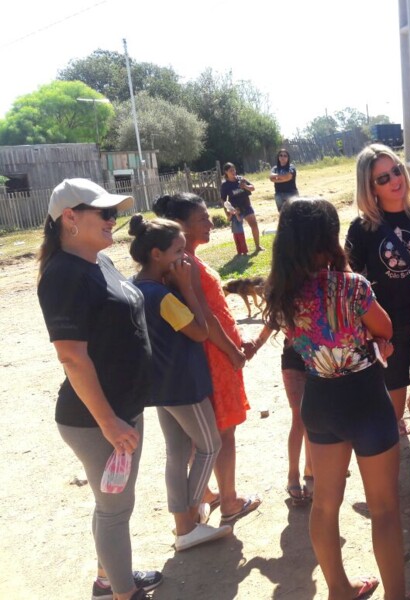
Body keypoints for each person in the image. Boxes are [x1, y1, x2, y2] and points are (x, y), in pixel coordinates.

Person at [263, 198, 410, 600]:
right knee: (385, 509)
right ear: (329, 238)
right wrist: (375, 344)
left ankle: (339, 589)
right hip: (366, 401)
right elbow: (384, 327)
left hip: (319, 401)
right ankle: (396, 595)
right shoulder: (350, 286)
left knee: (324, 505)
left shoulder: (279, 292)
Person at [36, 179, 162, 600]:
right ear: (69, 217)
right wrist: (108, 421)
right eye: (104, 213)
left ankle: (110, 579)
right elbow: (72, 357)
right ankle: (122, 593)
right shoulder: (63, 275)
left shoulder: (98, 261)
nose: (114, 219)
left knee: (111, 508)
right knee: (114, 511)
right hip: (97, 421)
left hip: (119, 412)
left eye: (115, 212)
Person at [345, 143, 410, 513]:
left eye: (396, 171)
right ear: (370, 187)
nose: (394, 181)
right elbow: (349, 285)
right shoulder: (361, 229)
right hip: (384, 334)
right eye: (382, 178)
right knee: (391, 412)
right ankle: (384, 487)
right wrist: (368, 335)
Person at [153, 192, 261, 525]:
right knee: (223, 432)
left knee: (204, 434)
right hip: (214, 356)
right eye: (202, 217)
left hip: (212, 353)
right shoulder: (186, 264)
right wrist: (233, 351)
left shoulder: (185, 260)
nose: (210, 221)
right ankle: (229, 501)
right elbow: (206, 317)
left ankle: (210, 494)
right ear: (181, 226)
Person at [128, 215, 232, 551]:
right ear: (156, 254)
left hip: (161, 387)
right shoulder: (164, 296)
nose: (184, 260)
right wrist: (188, 286)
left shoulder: (135, 287)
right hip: (185, 386)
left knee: (177, 452)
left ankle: (182, 525)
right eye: (178, 252)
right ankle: (188, 521)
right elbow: (200, 332)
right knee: (210, 445)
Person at [245, 333, 314, 506]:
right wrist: (255, 344)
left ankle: (311, 469)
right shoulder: (286, 304)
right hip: (295, 361)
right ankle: (293, 475)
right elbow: (273, 319)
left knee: (313, 418)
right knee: (299, 419)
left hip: (320, 359)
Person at [220, 162, 264, 252]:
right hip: (236, 210)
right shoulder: (225, 185)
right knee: (238, 231)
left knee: (254, 225)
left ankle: (258, 246)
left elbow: (252, 188)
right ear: (226, 172)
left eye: (234, 170)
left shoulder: (241, 179)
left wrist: (245, 186)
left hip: (247, 206)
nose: (233, 172)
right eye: (231, 170)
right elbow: (223, 200)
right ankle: (241, 251)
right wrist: (228, 213)